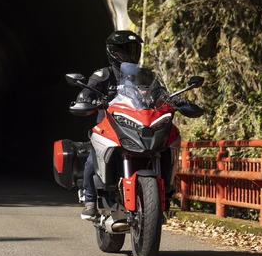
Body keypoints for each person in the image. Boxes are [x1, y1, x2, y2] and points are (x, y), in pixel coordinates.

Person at [76, 30, 203, 220]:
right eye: (124, 50)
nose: (129, 54)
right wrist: (86, 98)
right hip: (109, 127)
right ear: (112, 51)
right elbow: (87, 93)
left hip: (138, 123)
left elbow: (160, 94)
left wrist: (176, 101)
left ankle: (164, 195)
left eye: (133, 49)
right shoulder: (103, 74)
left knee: (168, 144)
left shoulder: (146, 75)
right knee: (91, 160)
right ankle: (90, 201)